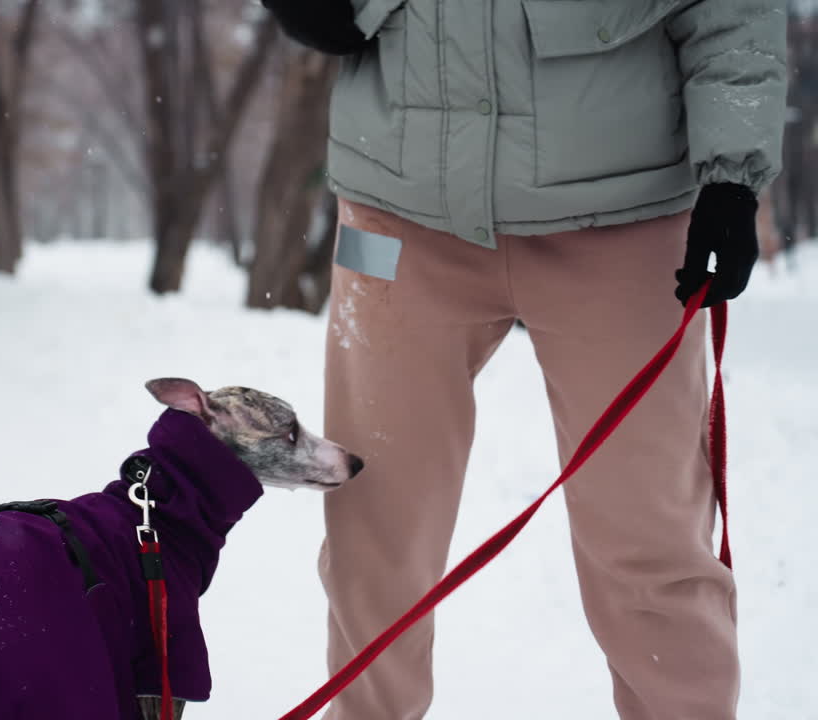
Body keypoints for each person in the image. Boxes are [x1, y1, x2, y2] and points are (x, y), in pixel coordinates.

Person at [259, 1, 786, 718]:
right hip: (395, 213)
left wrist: (732, 174)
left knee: (648, 543)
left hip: (624, 219)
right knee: (374, 535)